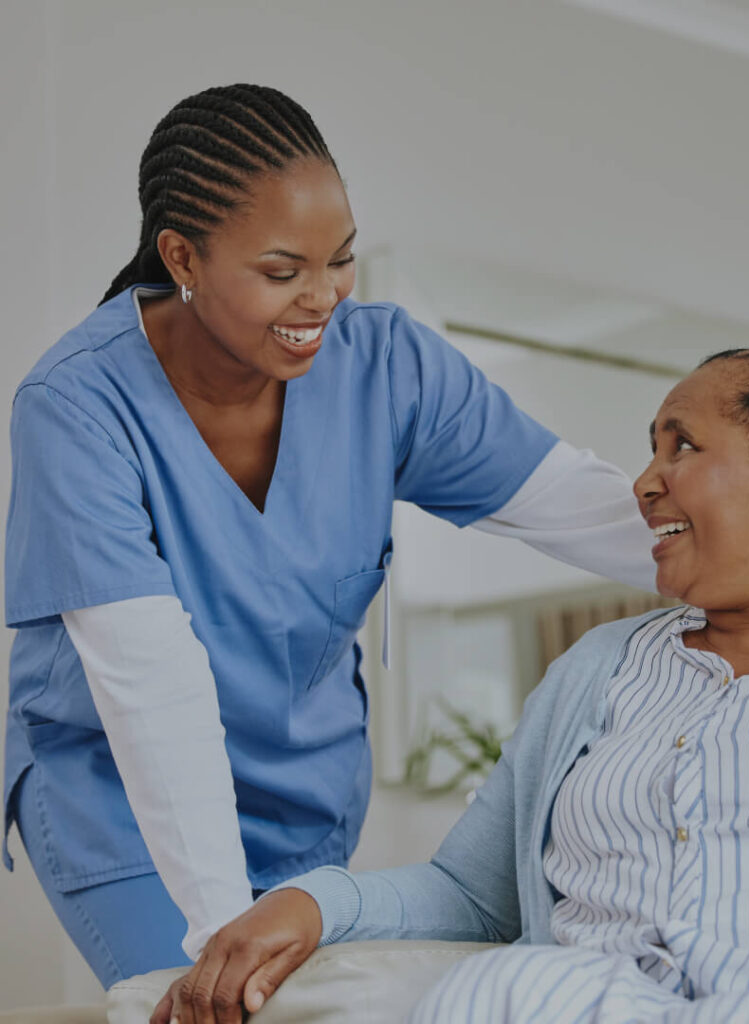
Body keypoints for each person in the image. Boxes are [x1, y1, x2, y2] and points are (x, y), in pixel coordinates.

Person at [3, 83, 662, 987]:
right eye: (282, 271)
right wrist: (218, 932)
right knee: (205, 997)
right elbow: (146, 681)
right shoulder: (78, 406)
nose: (322, 298)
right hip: (121, 796)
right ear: (182, 255)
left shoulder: (386, 366)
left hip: (308, 801)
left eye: (341, 261)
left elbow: (582, 507)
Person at [153, 342, 749, 1024]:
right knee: (499, 992)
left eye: (683, 445)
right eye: (652, 448)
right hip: (581, 1004)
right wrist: (313, 902)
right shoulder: (601, 667)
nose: (646, 482)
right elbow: (472, 891)